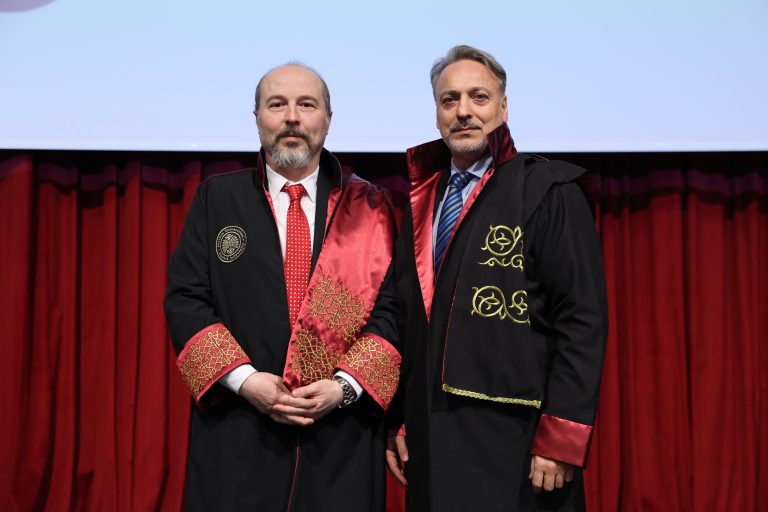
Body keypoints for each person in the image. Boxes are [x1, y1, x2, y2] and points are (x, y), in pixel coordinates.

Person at [164, 63, 401, 511]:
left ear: (328, 119)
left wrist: (343, 387)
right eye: (277, 104)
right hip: (238, 431)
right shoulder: (218, 199)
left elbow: (393, 312)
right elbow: (186, 300)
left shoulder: (370, 207)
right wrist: (246, 381)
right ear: (256, 117)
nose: (292, 117)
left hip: (340, 439)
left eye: (306, 105)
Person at [386, 45, 608, 511]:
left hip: (517, 441)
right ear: (437, 113)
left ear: (503, 108)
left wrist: (561, 437)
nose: (464, 111)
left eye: (479, 97)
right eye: (449, 100)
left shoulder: (547, 191)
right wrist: (401, 417)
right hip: (432, 436)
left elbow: (582, 319)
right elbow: (409, 320)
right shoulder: (421, 202)